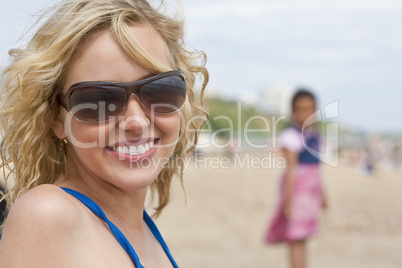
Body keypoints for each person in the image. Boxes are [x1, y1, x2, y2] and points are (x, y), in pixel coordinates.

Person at [0, 0, 208, 267]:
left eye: (160, 90)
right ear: (55, 118)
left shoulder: (139, 228)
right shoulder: (48, 216)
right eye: (99, 100)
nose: (136, 122)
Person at [265, 89, 328, 268]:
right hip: (297, 195)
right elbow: (291, 170)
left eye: (309, 109)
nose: (304, 114)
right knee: (295, 238)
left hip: (311, 196)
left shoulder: (316, 136)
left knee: (304, 236)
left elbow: (318, 170)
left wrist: (324, 195)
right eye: (300, 109)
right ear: (292, 111)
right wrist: (287, 201)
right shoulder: (290, 136)